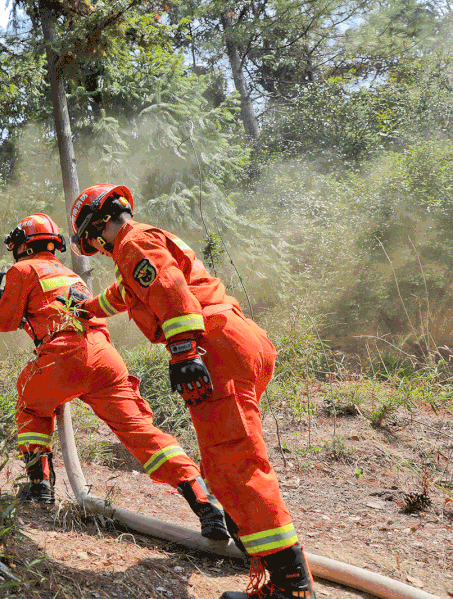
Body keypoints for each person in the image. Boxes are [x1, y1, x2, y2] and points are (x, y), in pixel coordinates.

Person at [67, 184, 315, 599]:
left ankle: (292, 588)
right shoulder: (144, 243)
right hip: (236, 338)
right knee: (226, 462)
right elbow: (127, 295)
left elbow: (169, 289)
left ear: (99, 225)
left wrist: (184, 350)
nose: (98, 249)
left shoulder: (132, 242)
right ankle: (268, 558)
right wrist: (83, 308)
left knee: (236, 464)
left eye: (93, 241)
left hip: (213, 345)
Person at [0, 212, 230, 542]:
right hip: (105, 359)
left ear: (23, 246)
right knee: (141, 431)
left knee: (31, 404)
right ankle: (206, 504)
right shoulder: (71, 275)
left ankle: (40, 487)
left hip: (64, 357)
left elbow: (5, 321)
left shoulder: (23, 269)